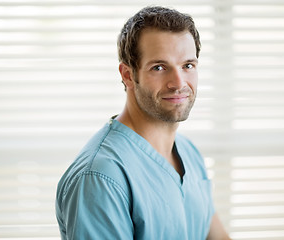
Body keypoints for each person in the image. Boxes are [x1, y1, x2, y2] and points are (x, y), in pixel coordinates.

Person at [56, 6, 231, 240]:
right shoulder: (100, 176)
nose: (178, 82)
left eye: (188, 65)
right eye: (159, 67)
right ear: (128, 75)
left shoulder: (189, 153)